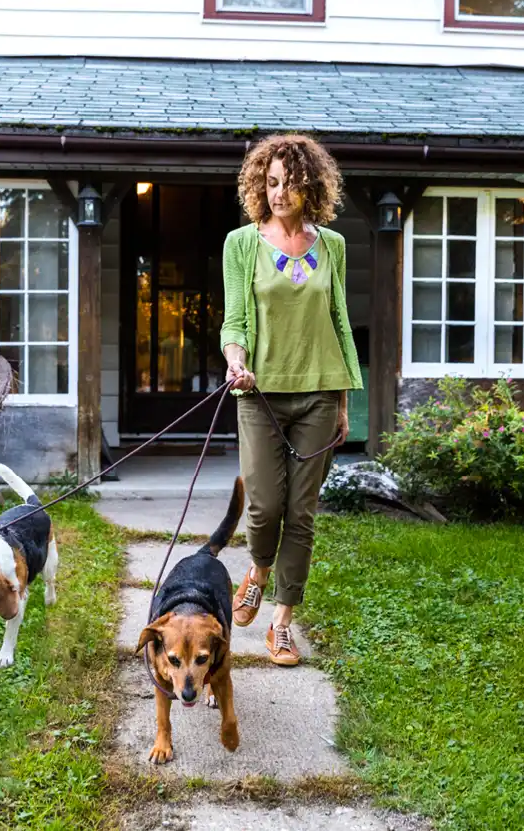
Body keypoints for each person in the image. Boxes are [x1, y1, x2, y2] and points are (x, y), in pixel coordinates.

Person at [220, 133, 363, 667]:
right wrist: (236, 358)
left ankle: (282, 622)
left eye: (289, 183)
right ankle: (257, 570)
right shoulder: (242, 244)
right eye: (270, 182)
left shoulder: (333, 246)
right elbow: (235, 317)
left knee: (301, 513)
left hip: (321, 395)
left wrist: (345, 400)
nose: (278, 193)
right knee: (265, 507)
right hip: (258, 394)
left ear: (311, 187)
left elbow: (340, 321)